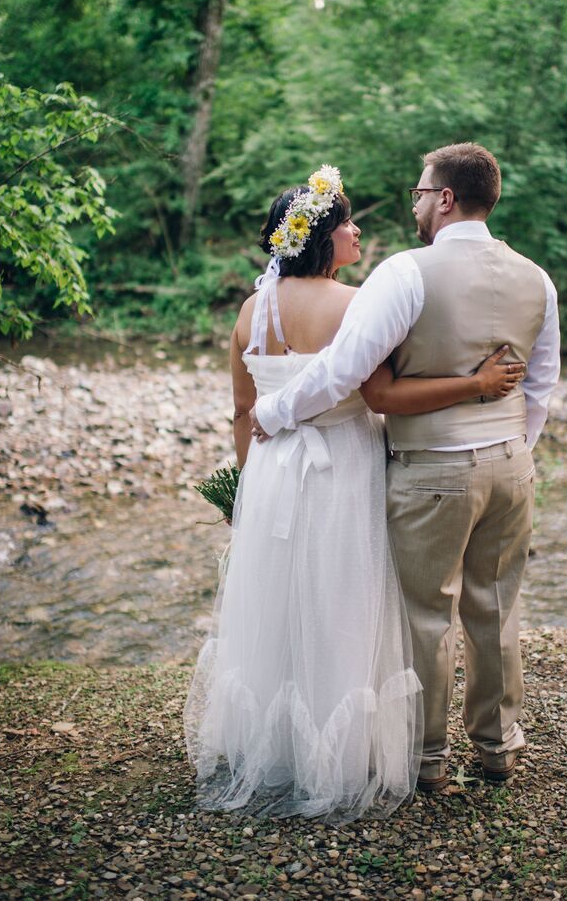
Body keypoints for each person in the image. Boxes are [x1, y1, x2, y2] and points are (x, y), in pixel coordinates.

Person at [184, 164, 526, 820]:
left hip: (273, 470)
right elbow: (383, 394)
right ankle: (348, 750)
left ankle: (281, 745)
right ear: (321, 238)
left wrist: (246, 493)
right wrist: (478, 385)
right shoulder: (356, 302)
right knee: (349, 601)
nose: (357, 228)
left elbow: (240, 410)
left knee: (281, 605)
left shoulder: (252, 311)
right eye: (345, 222)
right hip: (345, 464)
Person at [251, 143, 560, 790]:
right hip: (510, 467)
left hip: (431, 472)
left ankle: (425, 759)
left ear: (444, 199)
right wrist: (512, 450)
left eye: (420, 194)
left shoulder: (403, 274)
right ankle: (497, 747)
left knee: (425, 615)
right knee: (495, 609)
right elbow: (539, 386)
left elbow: (345, 369)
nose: (414, 204)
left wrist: (275, 411)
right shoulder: (538, 279)